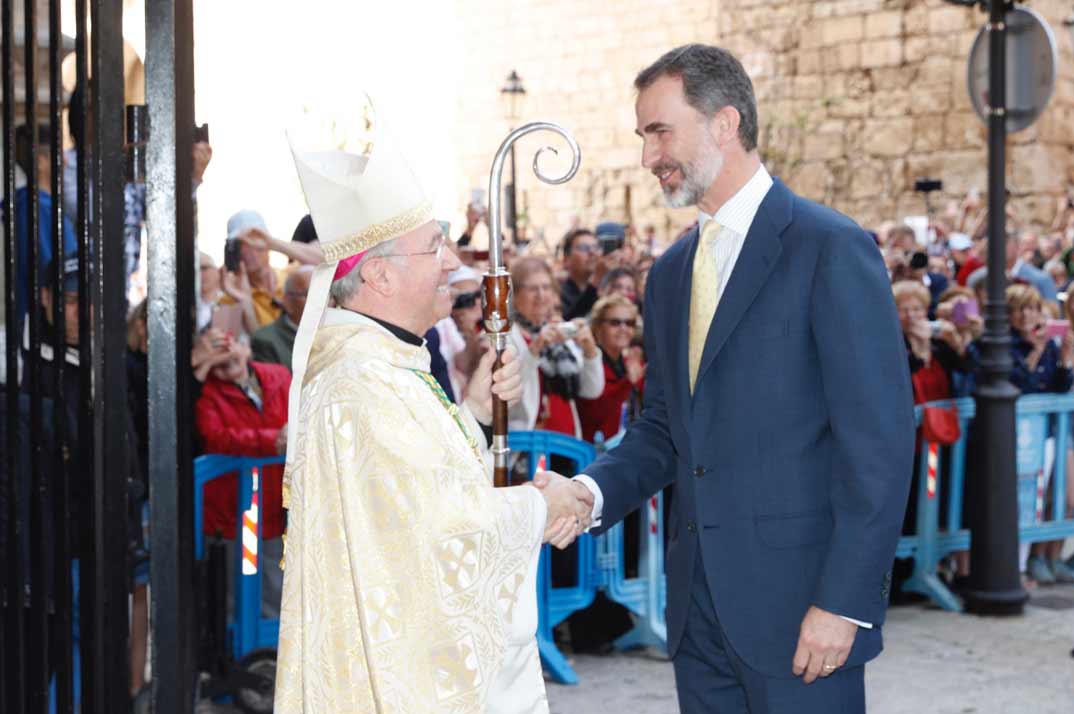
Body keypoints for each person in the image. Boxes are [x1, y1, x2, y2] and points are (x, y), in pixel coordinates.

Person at [536, 44, 914, 713]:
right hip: (698, 616)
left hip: (804, 613)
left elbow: (877, 446)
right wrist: (588, 492)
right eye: (643, 136)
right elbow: (662, 430)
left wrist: (845, 602)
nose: (649, 156)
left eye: (660, 131)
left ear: (725, 124)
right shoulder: (673, 273)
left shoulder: (828, 247)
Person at [274, 109, 588, 713]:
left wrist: (470, 407)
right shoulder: (360, 382)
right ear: (381, 276)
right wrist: (541, 504)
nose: (452, 263)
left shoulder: (388, 365)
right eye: (434, 246)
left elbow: (419, 490)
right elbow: (432, 531)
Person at [194, 334, 290, 617]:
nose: (225, 353)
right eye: (215, 348)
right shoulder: (207, 394)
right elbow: (216, 437)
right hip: (231, 515)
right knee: (234, 599)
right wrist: (272, 440)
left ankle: (273, 660)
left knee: (276, 596)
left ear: (247, 348)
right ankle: (239, 660)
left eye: (230, 343)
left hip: (276, 512)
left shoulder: (280, 376)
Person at [577, 294, 645, 443]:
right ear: (598, 327)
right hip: (594, 450)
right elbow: (594, 415)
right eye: (615, 322)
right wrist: (629, 382)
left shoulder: (631, 362)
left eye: (629, 323)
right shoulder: (589, 362)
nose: (623, 328)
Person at [251, 265, 313, 371]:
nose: (323, 300)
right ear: (288, 302)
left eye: (327, 292)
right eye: (310, 293)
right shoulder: (266, 341)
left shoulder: (338, 332)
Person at [560, 228, 600, 320]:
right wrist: (595, 281)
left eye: (595, 247)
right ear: (566, 260)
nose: (592, 252)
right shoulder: (558, 293)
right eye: (583, 248)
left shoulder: (607, 289)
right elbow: (568, 321)